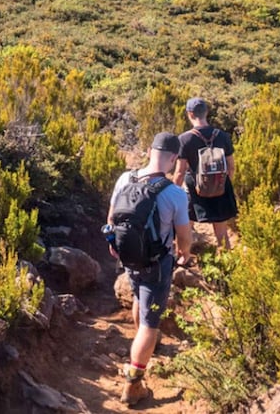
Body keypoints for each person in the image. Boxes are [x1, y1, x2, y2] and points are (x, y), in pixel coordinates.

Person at [106, 132, 192, 406]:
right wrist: (184, 254)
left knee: (137, 298)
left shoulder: (125, 178)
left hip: (128, 257)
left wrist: (115, 244)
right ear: (174, 159)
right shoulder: (175, 194)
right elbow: (184, 236)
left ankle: (141, 348)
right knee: (150, 322)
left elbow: (111, 218)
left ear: (148, 150)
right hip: (156, 263)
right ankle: (133, 385)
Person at [173, 97, 238, 251]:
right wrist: (220, 184)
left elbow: (180, 172)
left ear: (189, 114)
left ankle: (182, 258)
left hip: (194, 189)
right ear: (206, 112)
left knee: (185, 226)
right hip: (220, 187)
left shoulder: (184, 139)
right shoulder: (223, 136)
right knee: (221, 231)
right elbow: (231, 167)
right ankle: (227, 264)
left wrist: (174, 193)